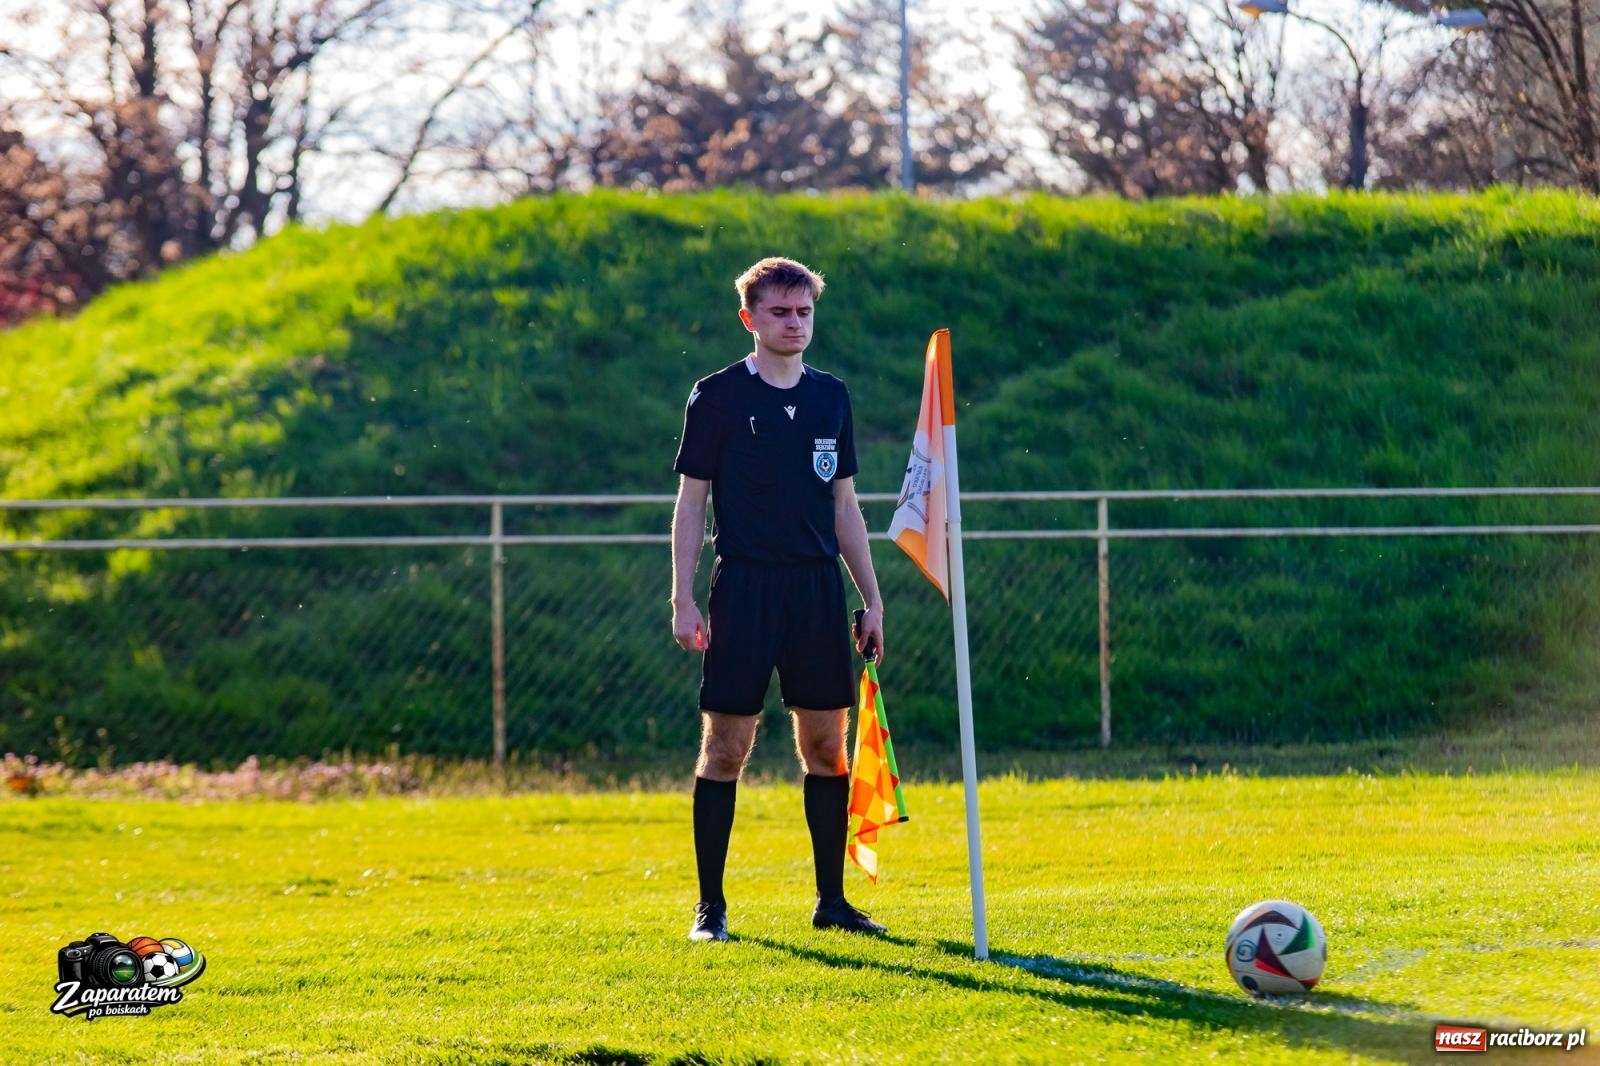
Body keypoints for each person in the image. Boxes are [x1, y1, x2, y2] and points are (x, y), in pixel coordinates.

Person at [670, 256, 887, 943]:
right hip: (745, 589)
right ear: (750, 319)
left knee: (827, 747)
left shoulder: (832, 396)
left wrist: (871, 598)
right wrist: (682, 598)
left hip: (817, 594)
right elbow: (690, 503)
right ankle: (711, 909)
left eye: (804, 313)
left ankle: (833, 901)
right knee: (726, 748)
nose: (794, 324)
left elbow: (844, 506)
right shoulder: (717, 397)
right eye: (780, 313)